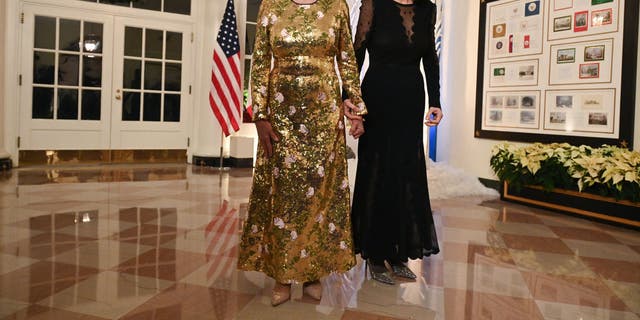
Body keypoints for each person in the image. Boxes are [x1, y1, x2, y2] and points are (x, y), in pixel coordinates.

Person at [238, 0, 367, 306]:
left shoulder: (336, 6)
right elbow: (260, 63)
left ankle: (313, 272)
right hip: (281, 112)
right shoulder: (271, 6)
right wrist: (260, 115)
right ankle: (282, 274)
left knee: (318, 191)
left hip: (323, 111)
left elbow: (347, 59)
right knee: (284, 193)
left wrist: (357, 107)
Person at [345, 0, 443, 285]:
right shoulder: (373, 5)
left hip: (411, 99)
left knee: (405, 172)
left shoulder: (428, 8)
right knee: (378, 171)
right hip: (377, 98)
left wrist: (435, 101)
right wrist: (349, 100)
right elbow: (357, 56)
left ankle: (399, 252)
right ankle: (375, 253)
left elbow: (431, 60)